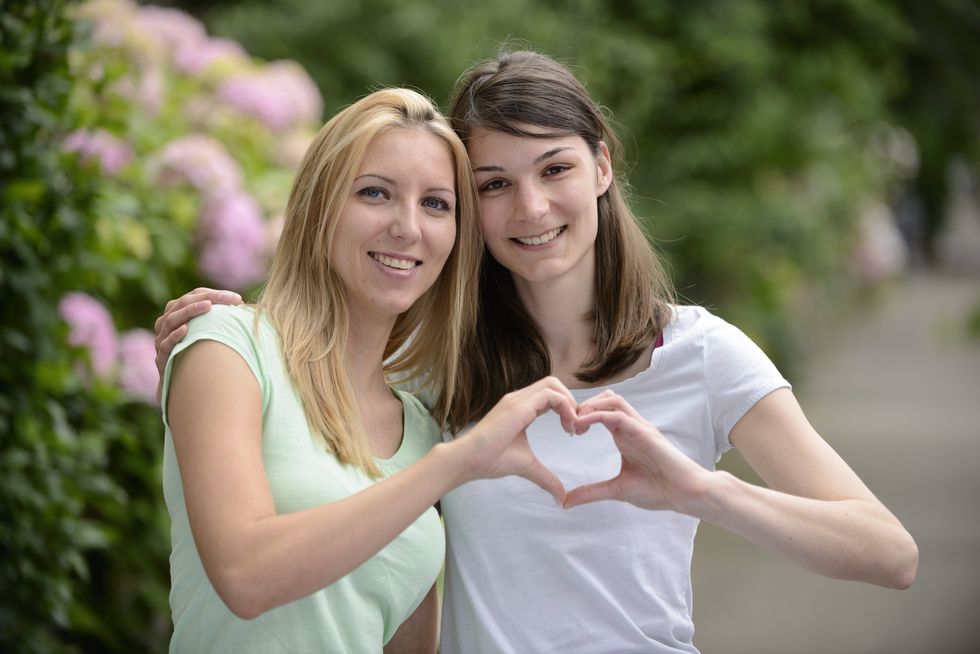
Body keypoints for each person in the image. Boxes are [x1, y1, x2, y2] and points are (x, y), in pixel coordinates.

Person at [155, 53, 918, 653]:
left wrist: (700, 493)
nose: (531, 208)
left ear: (602, 166)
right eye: (493, 184)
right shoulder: (433, 372)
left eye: (555, 168)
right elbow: (325, 362)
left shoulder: (699, 353)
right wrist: (226, 330)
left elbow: (888, 553)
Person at [159, 86, 582, 653]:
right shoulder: (228, 348)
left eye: (436, 204)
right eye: (376, 193)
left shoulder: (421, 426)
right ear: (320, 205)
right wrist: (451, 465)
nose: (408, 227)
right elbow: (245, 576)